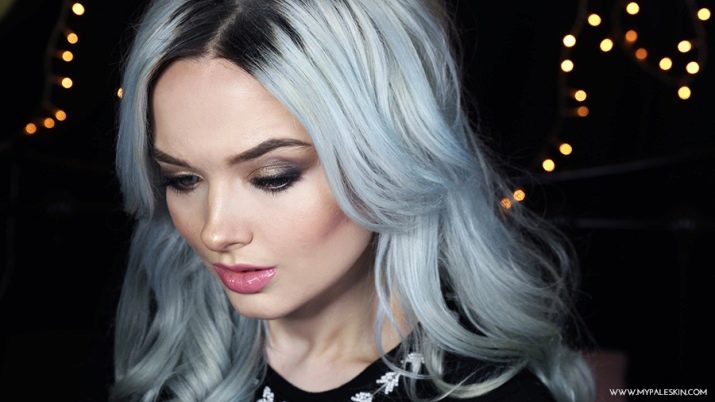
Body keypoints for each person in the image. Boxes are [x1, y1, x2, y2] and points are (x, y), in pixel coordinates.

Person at [112, 0, 595, 401]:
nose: (215, 231)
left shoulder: (495, 393)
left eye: (273, 178)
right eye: (183, 179)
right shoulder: (159, 357)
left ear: (387, 159)